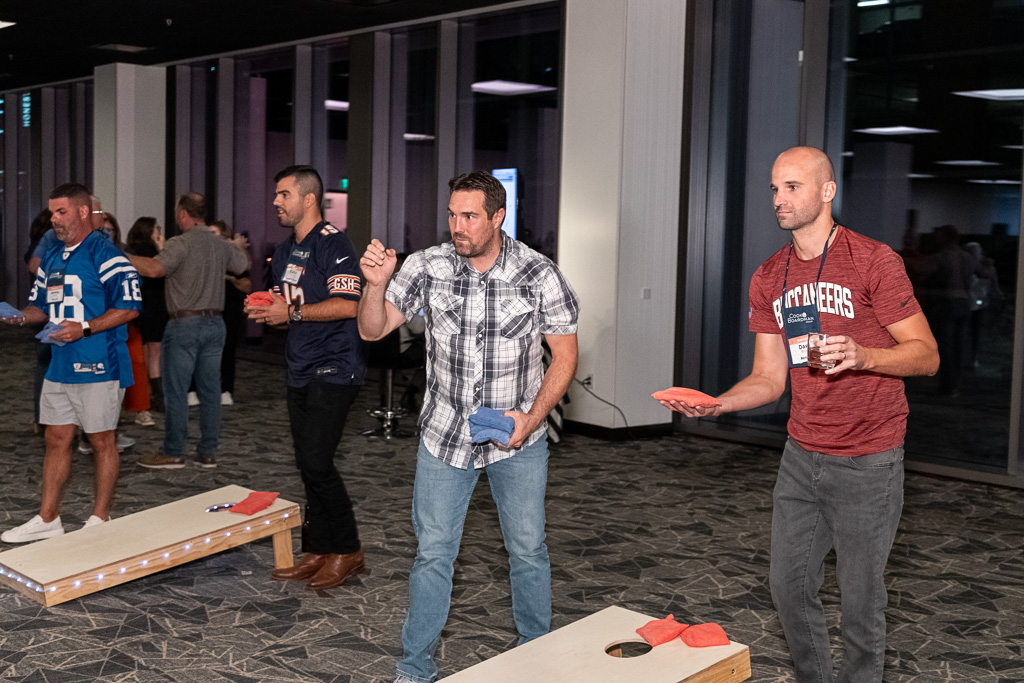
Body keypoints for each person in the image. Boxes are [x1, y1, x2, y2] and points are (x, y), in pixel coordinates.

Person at [659, 147, 939, 683]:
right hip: (802, 456)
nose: (778, 199)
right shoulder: (770, 277)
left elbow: (927, 355)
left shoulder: (873, 261)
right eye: (774, 188)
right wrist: (718, 403)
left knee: (860, 601)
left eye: (792, 187)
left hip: (868, 458)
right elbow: (768, 378)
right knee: (788, 589)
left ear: (827, 191)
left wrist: (865, 355)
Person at [358, 171, 580, 683]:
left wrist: (532, 418)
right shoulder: (427, 266)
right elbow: (373, 329)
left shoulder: (538, 273)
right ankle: (415, 669)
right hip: (445, 436)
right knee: (433, 555)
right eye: (452, 215)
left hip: (517, 439)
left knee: (528, 551)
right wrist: (375, 285)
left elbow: (565, 356)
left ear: (498, 217)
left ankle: (535, 657)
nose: (457, 226)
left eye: (470, 216)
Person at [246, 165, 367, 590]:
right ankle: (317, 548)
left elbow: (349, 304)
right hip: (299, 365)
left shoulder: (333, 244)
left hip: (335, 365)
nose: (276, 202)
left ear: (308, 198)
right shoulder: (284, 251)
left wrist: (291, 312)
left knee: (317, 461)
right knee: (307, 463)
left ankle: (348, 549)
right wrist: (267, 307)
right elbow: (288, 304)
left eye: (284, 194)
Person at [0, 183, 141, 543]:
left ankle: (100, 517)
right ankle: (48, 518)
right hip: (60, 362)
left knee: (101, 439)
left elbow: (129, 307)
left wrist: (85, 328)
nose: (54, 219)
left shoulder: (107, 255)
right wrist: (21, 316)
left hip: (99, 362)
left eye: (61, 212)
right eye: (52, 213)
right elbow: (41, 307)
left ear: (82, 212)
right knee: (56, 437)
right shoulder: (52, 257)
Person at [127, 193, 249, 470]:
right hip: (216, 324)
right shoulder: (219, 244)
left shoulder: (179, 243)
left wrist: (122, 256)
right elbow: (243, 266)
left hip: (184, 324)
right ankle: (207, 452)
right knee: (211, 390)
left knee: (176, 390)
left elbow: (155, 269)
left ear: (183, 214)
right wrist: (237, 245)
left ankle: (173, 451)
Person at [125, 217, 168, 411]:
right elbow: (162, 270)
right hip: (156, 305)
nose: (159, 231)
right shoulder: (154, 255)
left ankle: (144, 396)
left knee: (143, 353)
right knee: (155, 353)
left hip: (140, 305)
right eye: (156, 228)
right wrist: (162, 248)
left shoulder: (131, 252)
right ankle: (158, 396)